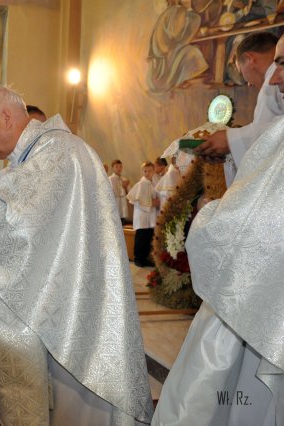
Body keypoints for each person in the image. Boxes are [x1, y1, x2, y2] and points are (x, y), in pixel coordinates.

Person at [0, 86, 153, 425]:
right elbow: (34, 246)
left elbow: (17, 229)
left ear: (6, 117)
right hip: (62, 307)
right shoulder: (43, 154)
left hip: (71, 321)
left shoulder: (55, 153)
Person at [152, 47, 284, 424]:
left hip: (264, 298)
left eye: (283, 65)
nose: (274, 78)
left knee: (229, 391)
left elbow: (262, 227)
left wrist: (208, 217)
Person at [196, 32, 284, 185]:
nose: (248, 84)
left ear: (249, 58)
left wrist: (230, 140)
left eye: (242, 73)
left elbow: (275, 137)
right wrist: (230, 148)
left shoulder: (271, 84)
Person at [127, 162, 160, 268]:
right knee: (141, 238)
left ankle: (144, 258)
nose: (147, 173)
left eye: (150, 171)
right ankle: (138, 259)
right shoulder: (142, 184)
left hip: (150, 216)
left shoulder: (152, 183)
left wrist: (156, 202)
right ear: (142, 171)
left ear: (153, 171)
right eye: (145, 171)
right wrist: (152, 203)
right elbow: (136, 200)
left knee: (148, 237)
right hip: (142, 216)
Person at [109, 159, 131, 224]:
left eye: (120, 166)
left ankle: (123, 219)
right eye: (116, 166)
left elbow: (130, 193)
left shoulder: (124, 179)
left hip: (123, 201)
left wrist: (126, 187)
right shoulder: (110, 179)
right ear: (112, 168)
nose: (119, 168)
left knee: (123, 213)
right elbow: (109, 192)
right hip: (115, 201)